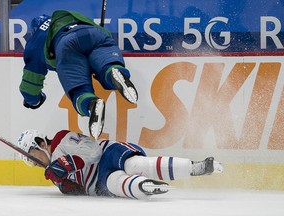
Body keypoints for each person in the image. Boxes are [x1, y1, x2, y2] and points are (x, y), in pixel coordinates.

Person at [19, 10, 138, 140]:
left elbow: (30, 84)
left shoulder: (36, 41)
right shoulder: (68, 16)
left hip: (67, 44)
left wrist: (34, 101)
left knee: (79, 90)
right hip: (95, 34)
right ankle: (113, 71)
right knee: (105, 65)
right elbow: (104, 34)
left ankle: (91, 104)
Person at [17, 129, 224, 199]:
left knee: (137, 164)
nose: (33, 163)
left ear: (41, 143)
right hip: (100, 182)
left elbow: (93, 150)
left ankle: (195, 167)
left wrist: (67, 164)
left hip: (108, 155)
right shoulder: (53, 174)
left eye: (30, 156)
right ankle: (144, 186)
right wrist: (62, 183)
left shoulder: (62, 139)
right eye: (29, 162)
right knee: (116, 183)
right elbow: (78, 190)